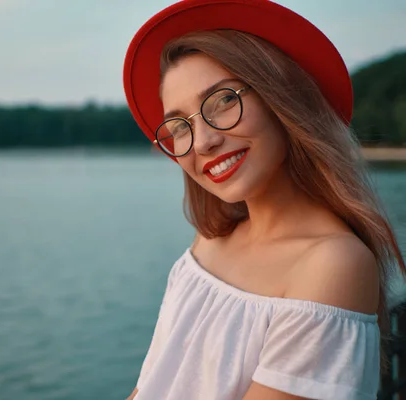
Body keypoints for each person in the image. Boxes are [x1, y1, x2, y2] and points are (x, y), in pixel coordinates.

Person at [122, 0, 406, 399]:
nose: (203, 141)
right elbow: (151, 386)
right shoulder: (212, 241)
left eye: (222, 100)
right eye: (179, 125)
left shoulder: (332, 265)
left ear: (280, 98)